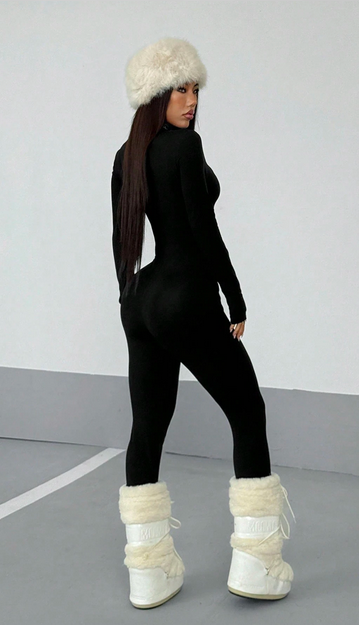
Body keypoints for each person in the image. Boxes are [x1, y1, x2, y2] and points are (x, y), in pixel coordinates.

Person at [111, 37, 296, 610]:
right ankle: (258, 561)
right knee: (248, 410)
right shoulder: (185, 147)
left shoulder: (127, 154)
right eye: (180, 90)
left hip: (141, 300)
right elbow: (203, 232)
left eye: (195, 90)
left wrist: (128, 301)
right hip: (185, 294)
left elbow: (122, 241)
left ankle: (149, 573)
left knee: (148, 429)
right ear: (156, 96)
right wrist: (235, 300)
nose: (191, 101)